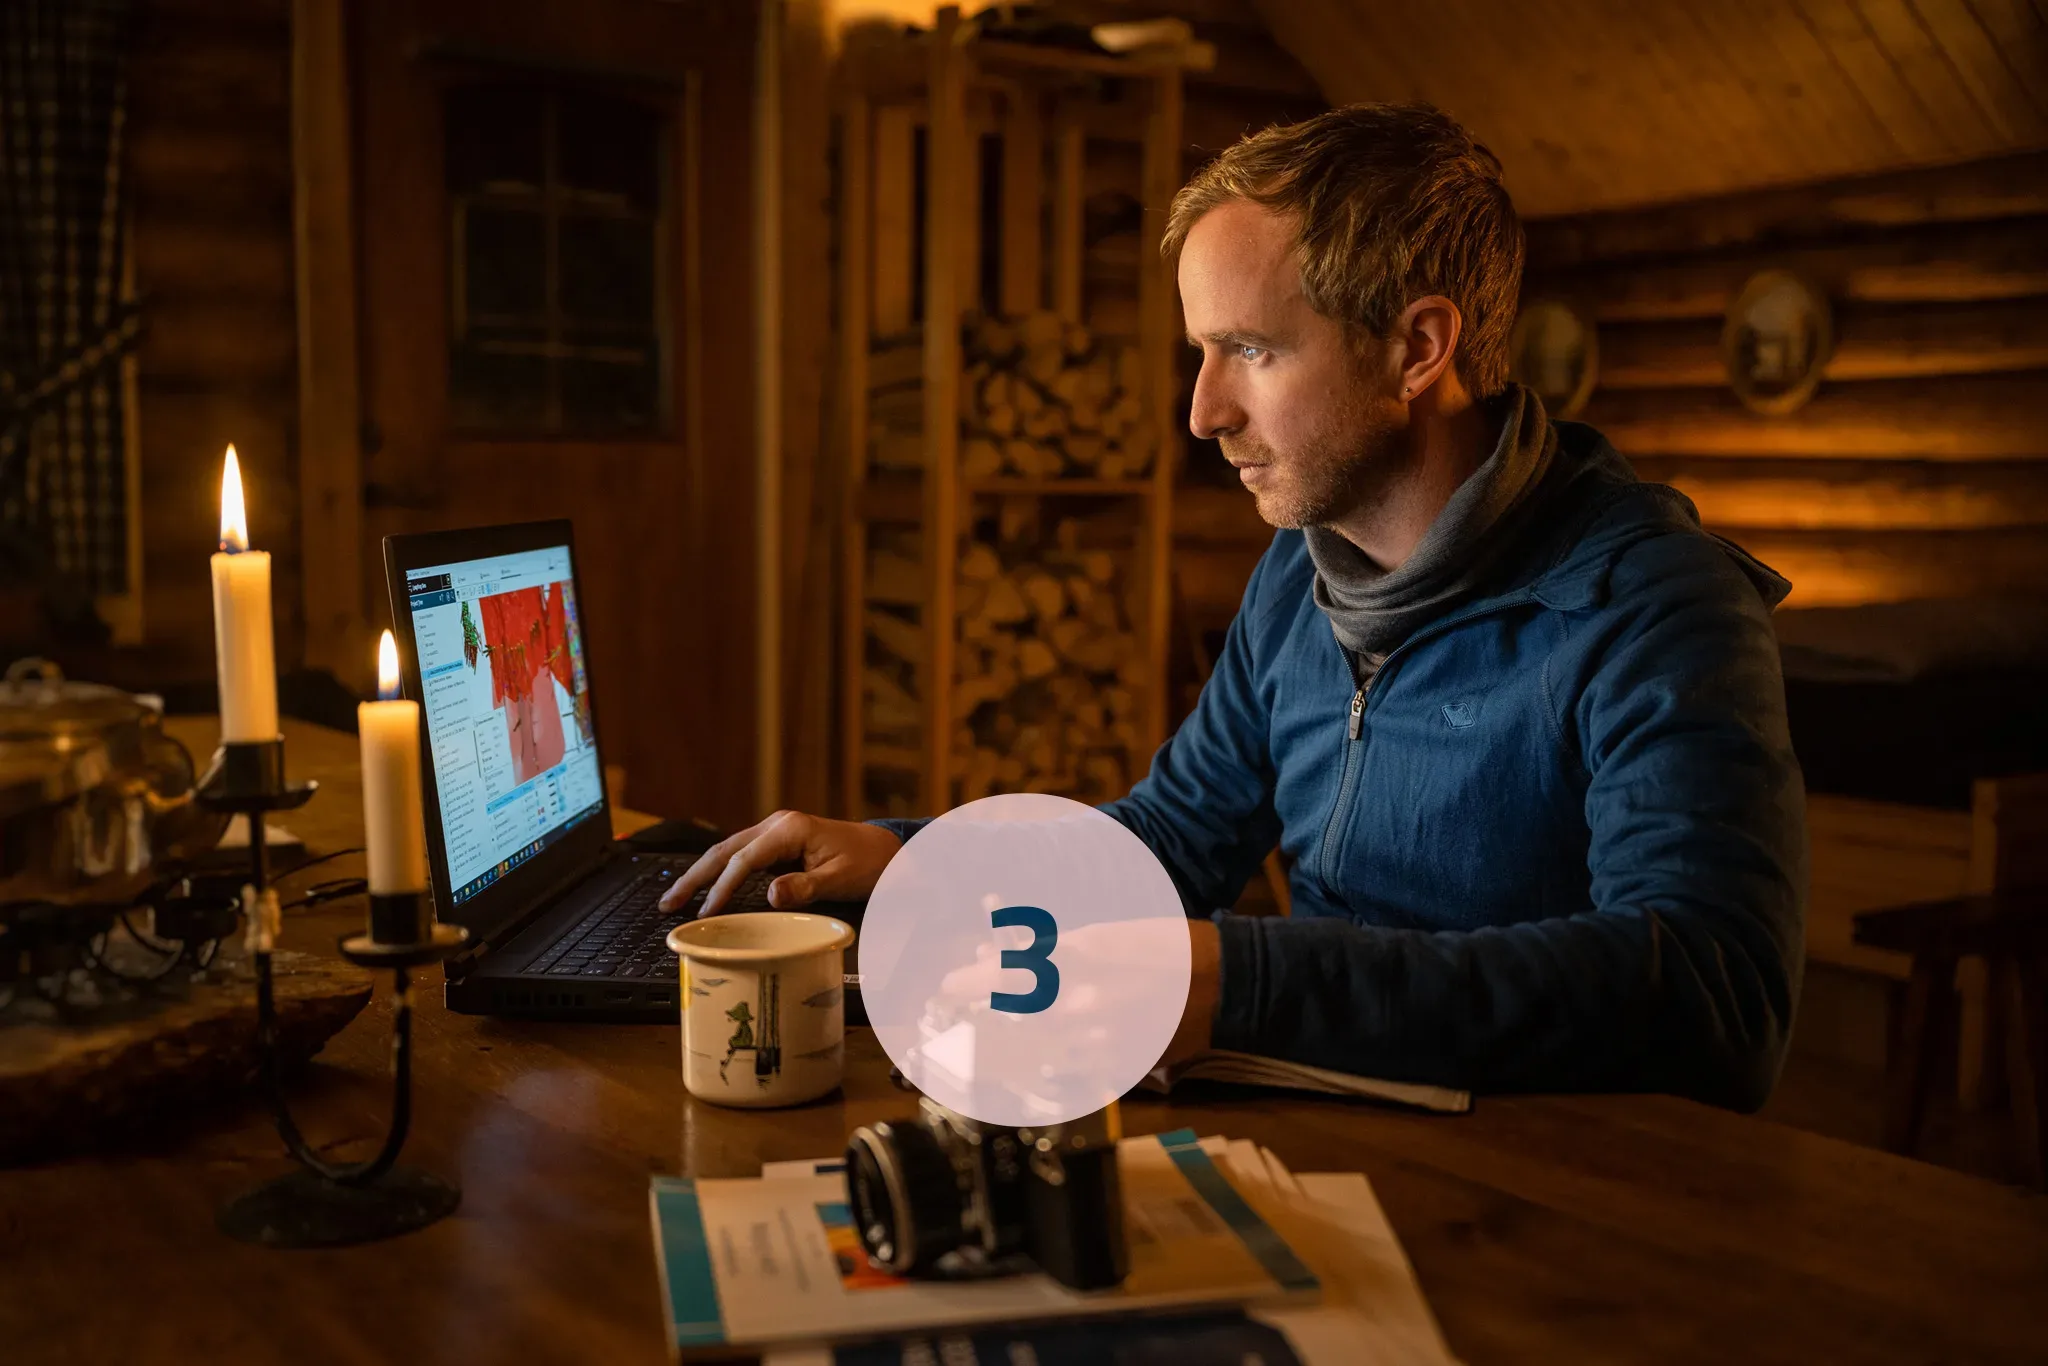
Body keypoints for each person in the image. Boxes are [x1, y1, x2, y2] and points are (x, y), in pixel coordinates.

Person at [662, 103, 1806, 1111]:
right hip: (1339, 1136)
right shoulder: (1299, 574)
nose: (1201, 410)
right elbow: (1168, 840)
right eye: (1200, 353)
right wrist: (908, 861)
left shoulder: (1654, 606)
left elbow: (1714, 994)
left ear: (1417, 347)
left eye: (1248, 349)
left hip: (1574, 1215)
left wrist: (1238, 981)